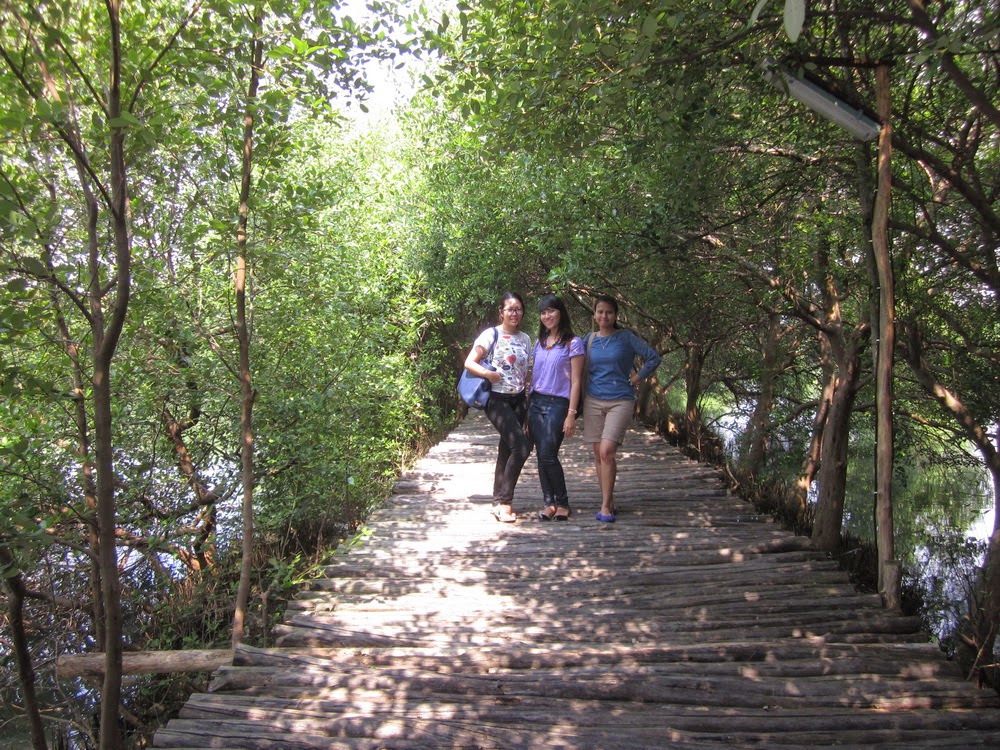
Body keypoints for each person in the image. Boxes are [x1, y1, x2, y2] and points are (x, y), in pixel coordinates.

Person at [583, 295, 661, 523]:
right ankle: (608, 498)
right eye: (600, 311)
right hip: (593, 400)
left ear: (615, 315)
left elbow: (653, 358)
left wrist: (636, 379)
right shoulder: (589, 339)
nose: (604, 316)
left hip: (621, 400)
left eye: (608, 312)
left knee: (607, 451)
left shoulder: (625, 337)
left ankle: (606, 506)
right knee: (598, 453)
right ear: (594, 314)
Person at [464, 292, 533, 523]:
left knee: (507, 449)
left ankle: (497, 500)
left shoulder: (525, 338)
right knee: (521, 447)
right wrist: (488, 374)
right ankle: (505, 502)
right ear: (501, 312)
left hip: (518, 399)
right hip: (496, 399)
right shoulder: (490, 335)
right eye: (510, 309)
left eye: (518, 309)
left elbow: (526, 370)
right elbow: (469, 362)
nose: (514, 313)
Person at [527, 295, 584, 521]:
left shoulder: (573, 342)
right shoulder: (539, 343)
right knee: (541, 455)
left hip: (558, 404)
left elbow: (577, 381)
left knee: (549, 454)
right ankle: (549, 502)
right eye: (543, 312)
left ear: (561, 313)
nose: (547, 316)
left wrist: (571, 414)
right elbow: (533, 376)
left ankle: (562, 502)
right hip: (536, 402)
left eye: (551, 311)